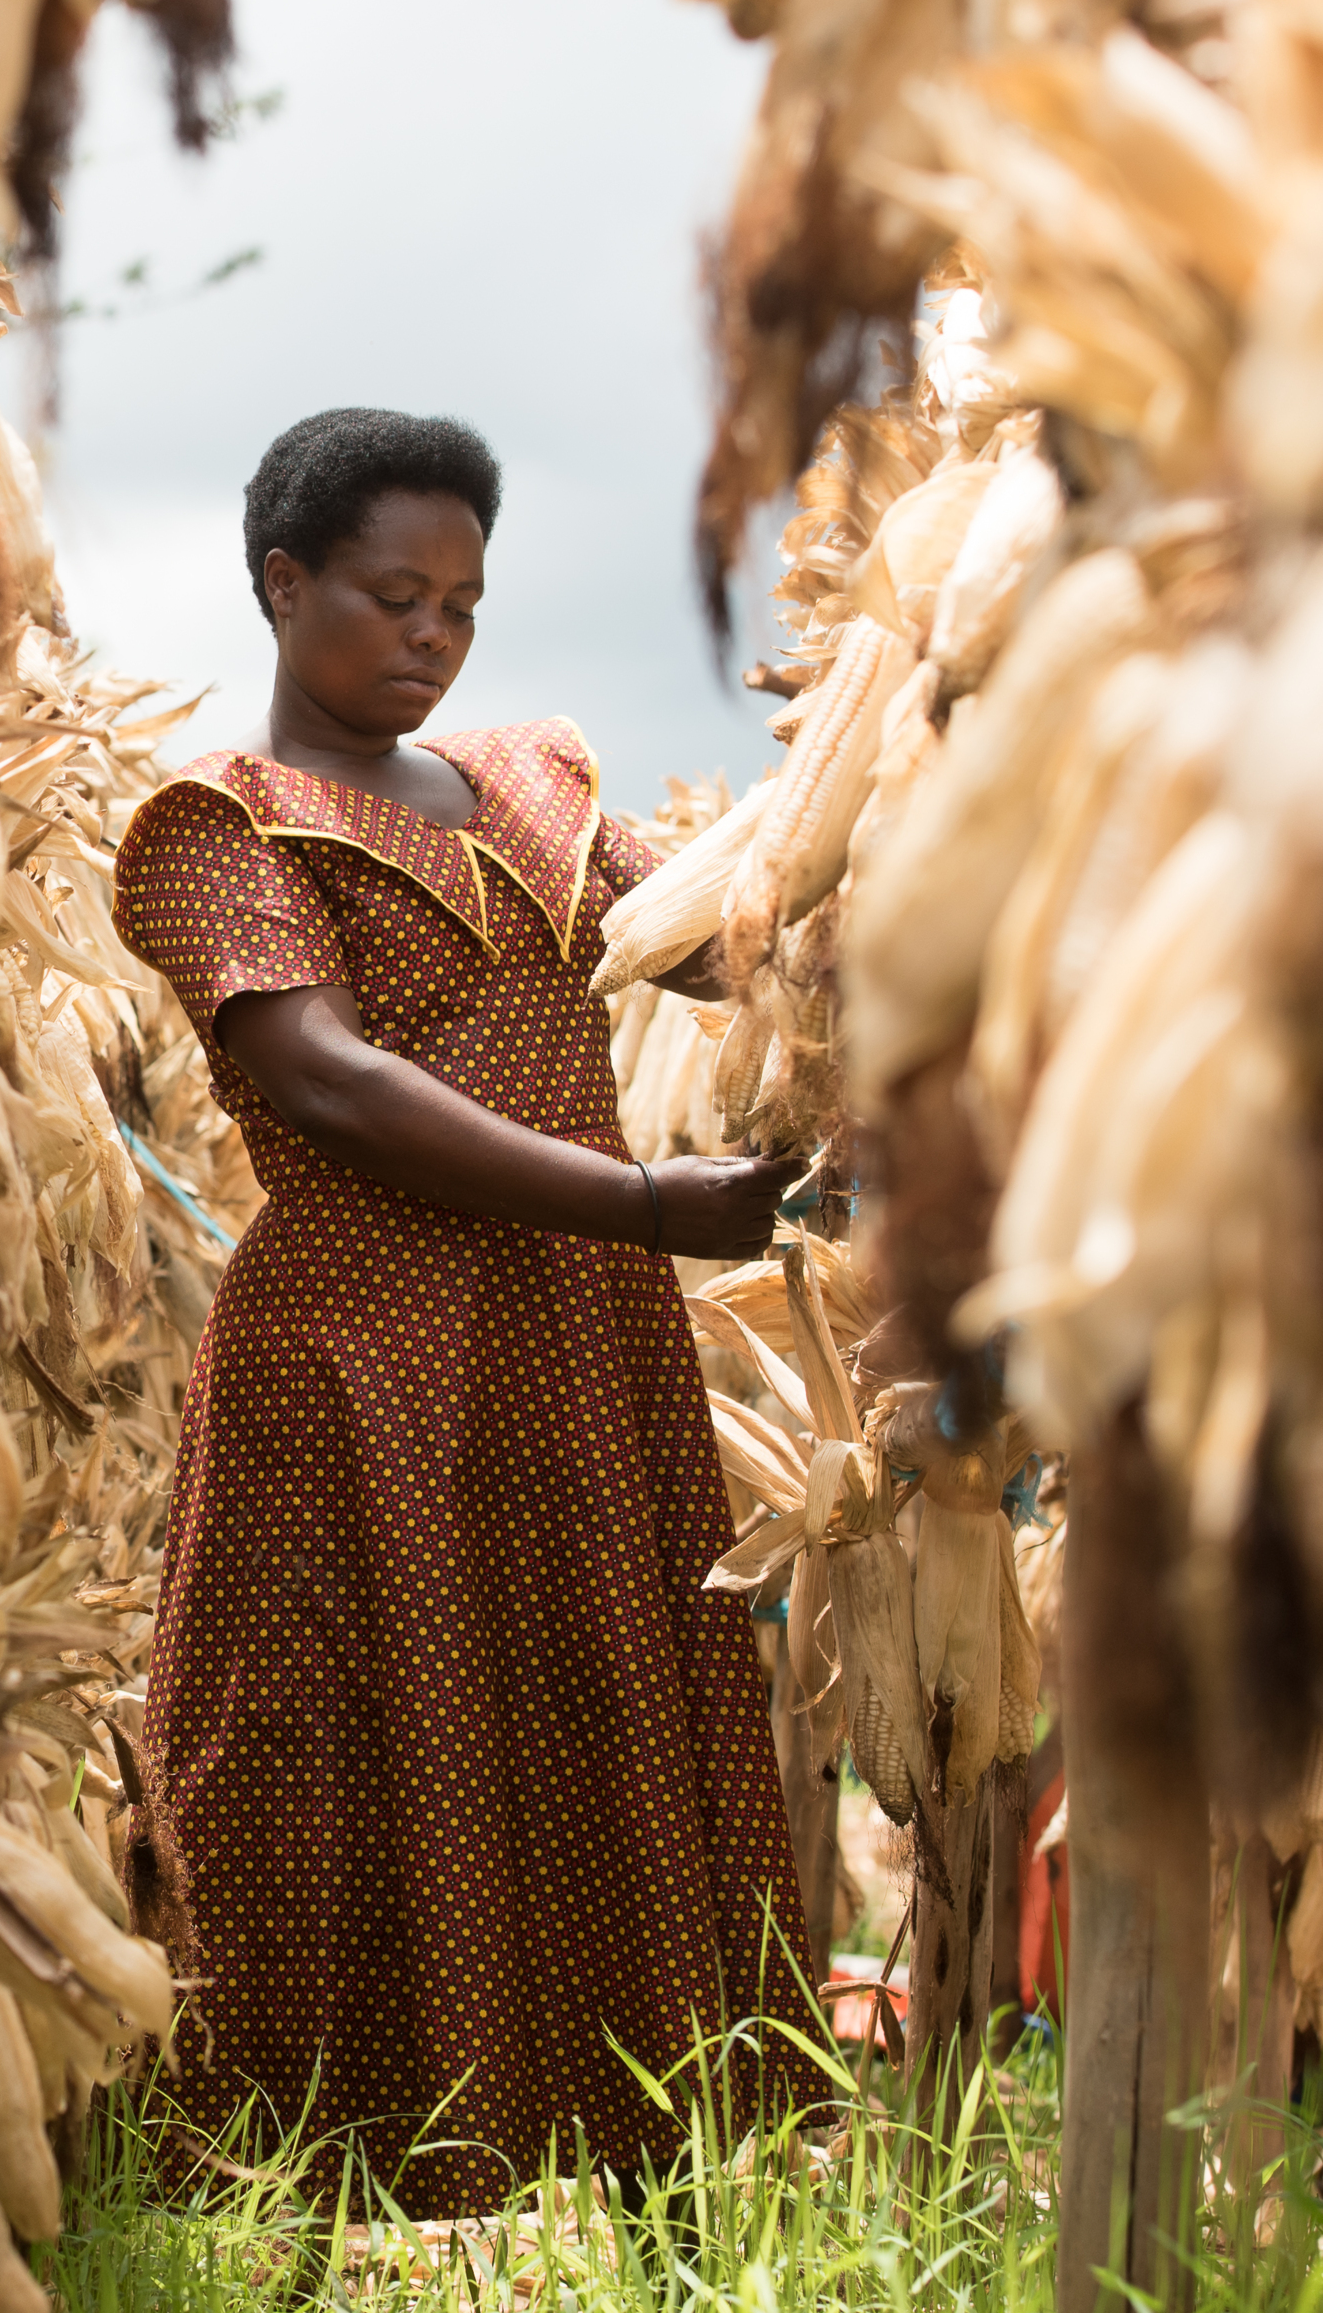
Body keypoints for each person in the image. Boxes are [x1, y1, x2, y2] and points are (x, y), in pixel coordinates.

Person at [108, 406, 815, 2213]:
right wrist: (647, 1200)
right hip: (363, 1357)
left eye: (464, 607)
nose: (432, 638)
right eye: (392, 595)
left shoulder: (533, 786)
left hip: (578, 1343)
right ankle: (322, 2193)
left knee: (598, 1708)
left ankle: (642, 2164)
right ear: (285, 585)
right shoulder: (217, 823)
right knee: (343, 1727)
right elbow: (329, 1080)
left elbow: (709, 938)